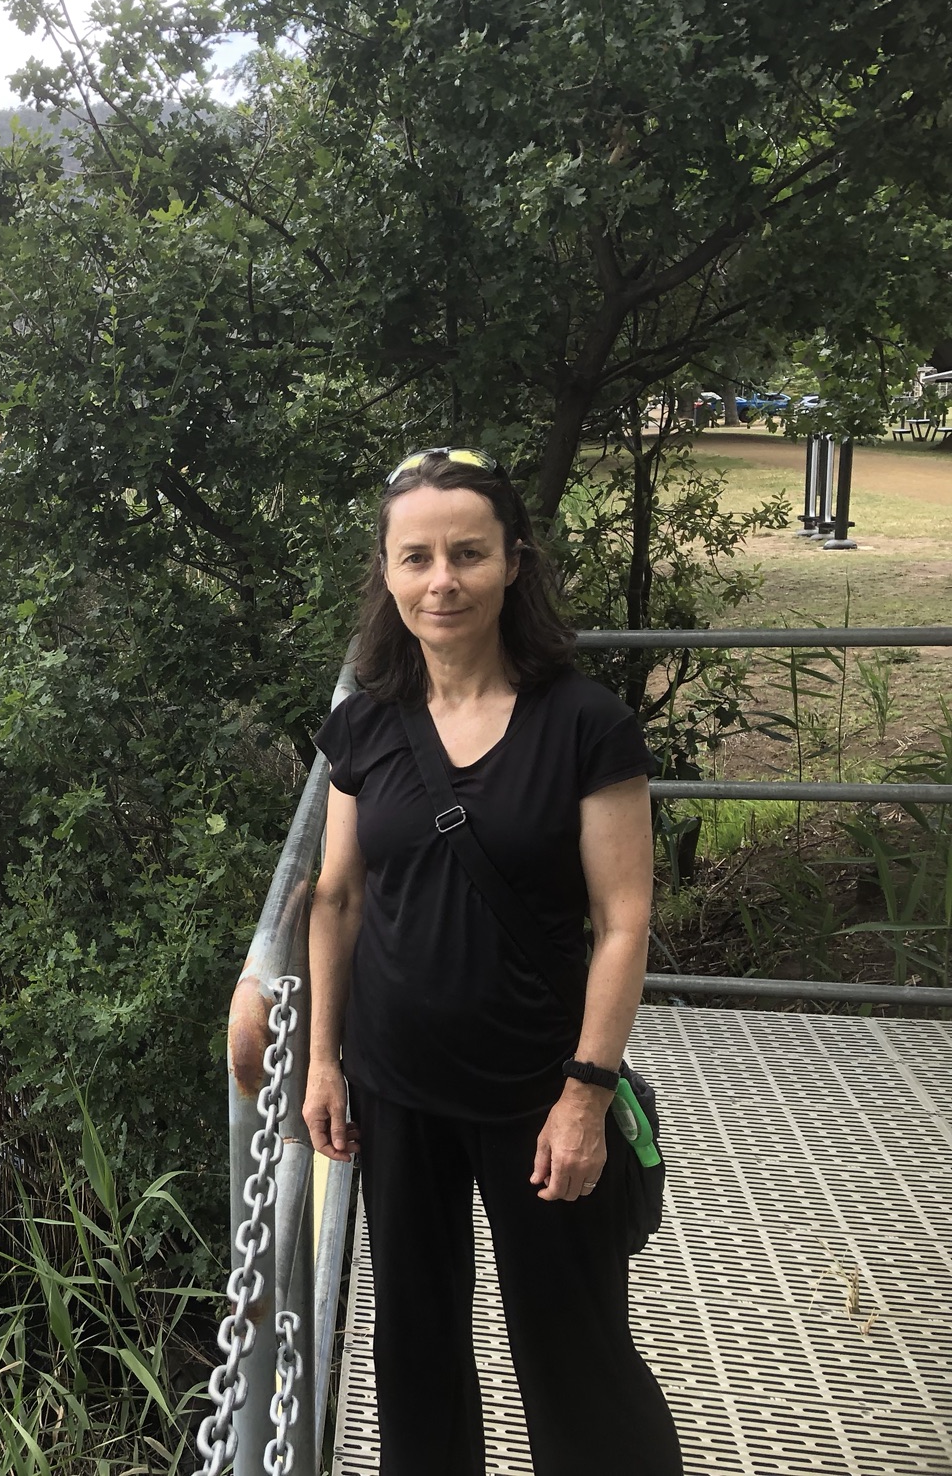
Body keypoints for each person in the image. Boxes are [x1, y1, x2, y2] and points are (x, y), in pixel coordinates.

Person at [302, 448, 682, 1475]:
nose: (442, 581)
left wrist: (586, 1093)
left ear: (513, 562)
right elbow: (336, 896)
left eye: (467, 554)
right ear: (386, 573)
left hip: (537, 1090)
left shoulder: (585, 725)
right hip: (395, 1089)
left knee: (575, 1352)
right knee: (413, 1348)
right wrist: (323, 1062)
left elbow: (622, 921)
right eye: (416, 557)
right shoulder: (364, 723)